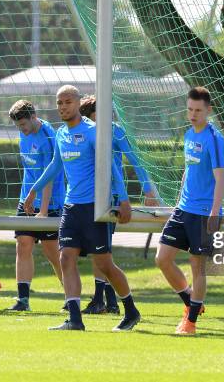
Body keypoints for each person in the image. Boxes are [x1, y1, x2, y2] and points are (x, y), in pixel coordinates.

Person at [24, 85, 140, 331]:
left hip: (94, 207)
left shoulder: (93, 131)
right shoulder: (60, 134)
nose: (63, 106)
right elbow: (56, 164)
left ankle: (131, 310)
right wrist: (34, 189)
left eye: (67, 102)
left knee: (104, 264)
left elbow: (111, 167)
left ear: (77, 103)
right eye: (59, 103)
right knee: (66, 258)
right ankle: (75, 319)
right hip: (71, 207)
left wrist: (123, 199)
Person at [78, 95, 159, 315]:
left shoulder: (115, 130)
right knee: (99, 251)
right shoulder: (83, 134)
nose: (109, 116)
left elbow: (135, 160)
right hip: (88, 197)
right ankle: (108, 301)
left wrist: (148, 189)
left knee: (100, 249)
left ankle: (103, 300)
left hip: (110, 198)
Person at [155, 87, 224, 335]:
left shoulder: (214, 139)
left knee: (197, 267)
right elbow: (188, 171)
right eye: (190, 109)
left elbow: (220, 178)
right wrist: (177, 201)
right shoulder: (188, 135)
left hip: (204, 213)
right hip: (183, 210)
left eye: (198, 110)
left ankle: (191, 321)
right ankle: (191, 301)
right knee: (162, 258)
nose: (193, 114)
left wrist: (214, 213)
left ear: (208, 110)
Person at [6, 100, 65, 311]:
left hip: (50, 203)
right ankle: (23, 300)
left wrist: (43, 210)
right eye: (18, 126)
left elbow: (49, 176)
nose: (21, 130)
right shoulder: (25, 133)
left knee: (53, 253)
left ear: (33, 117)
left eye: (23, 124)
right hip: (27, 200)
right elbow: (30, 171)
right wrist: (26, 199)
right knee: (23, 245)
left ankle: (70, 295)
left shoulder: (49, 136)